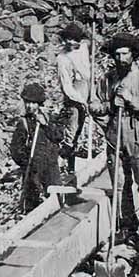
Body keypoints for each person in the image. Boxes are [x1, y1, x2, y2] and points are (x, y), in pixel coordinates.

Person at [91, 34, 139, 244]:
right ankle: (127, 227)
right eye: (117, 54)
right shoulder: (107, 79)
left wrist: (132, 101)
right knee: (120, 186)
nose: (120, 58)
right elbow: (97, 105)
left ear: (133, 55)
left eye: (125, 54)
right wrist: (106, 107)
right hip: (115, 140)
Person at [10, 82, 64, 213]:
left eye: (33, 103)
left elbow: (58, 136)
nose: (29, 106)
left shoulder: (49, 118)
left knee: (56, 196)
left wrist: (46, 124)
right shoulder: (23, 123)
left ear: (39, 103)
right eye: (27, 102)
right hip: (33, 168)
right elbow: (15, 149)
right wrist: (26, 162)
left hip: (51, 165)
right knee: (31, 202)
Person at [55, 22, 92, 168]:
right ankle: (65, 163)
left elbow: (90, 42)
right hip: (74, 97)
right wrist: (82, 101)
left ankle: (82, 157)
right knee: (72, 130)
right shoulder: (62, 58)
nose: (71, 42)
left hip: (88, 88)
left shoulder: (83, 48)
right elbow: (66, 86)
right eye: (68, 38)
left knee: (85, 127)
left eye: (74, 39)